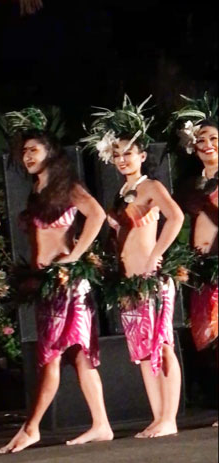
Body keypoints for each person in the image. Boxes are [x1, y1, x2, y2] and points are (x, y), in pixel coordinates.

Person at [0, 120, 113, 454]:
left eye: (34, 149)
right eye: (24, 151)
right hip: (46, 284)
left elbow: (97, 215)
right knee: (78, 354)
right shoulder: (37, 191)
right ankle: (101, 424)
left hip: (67, 283)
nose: (27, 155)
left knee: (51, 356)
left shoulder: (68, 186)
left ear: (51, 151)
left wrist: (75, 256)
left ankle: (30, 428)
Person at [89, 95, 184, 438]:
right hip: (129, 282)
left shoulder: (151, 187)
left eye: (129, 153)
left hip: (150, 277)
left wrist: (158, 253)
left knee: (162, 345)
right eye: (117, 154)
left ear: (142, 156)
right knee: (143, 352)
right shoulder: (121, 193)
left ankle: (170, 418)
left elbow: (176, 217)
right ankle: (157, 416)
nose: (122, 159)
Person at [170, 99, 218, 426]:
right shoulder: (190, 184)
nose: (207, 145)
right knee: (207, 338)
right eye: (200, 140)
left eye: (214, 139)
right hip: (200, 268)